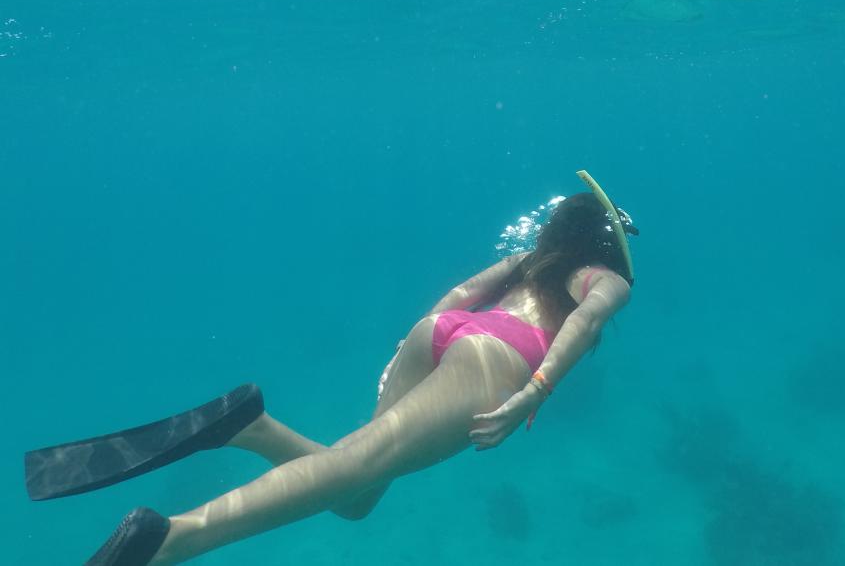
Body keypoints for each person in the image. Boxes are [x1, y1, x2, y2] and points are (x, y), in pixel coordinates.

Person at [25, 170, 637, 564]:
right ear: (601, 240)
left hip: (446, 336)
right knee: (355, 467)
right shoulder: (604, 278)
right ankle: (172, 540)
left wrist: (408, 347)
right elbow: (582, 325)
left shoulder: (526, 260)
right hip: (500, 359)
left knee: (356, 493)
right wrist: (534, 393)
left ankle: (249, 428)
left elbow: (455, 297)